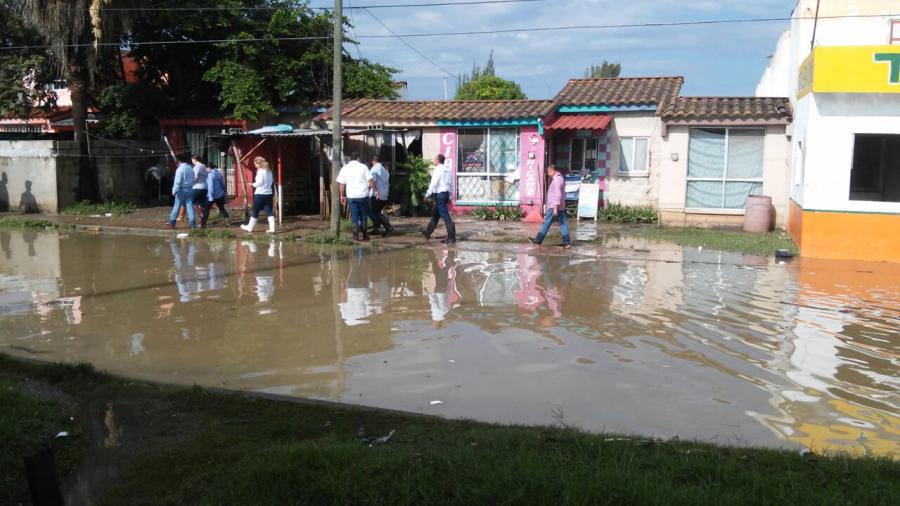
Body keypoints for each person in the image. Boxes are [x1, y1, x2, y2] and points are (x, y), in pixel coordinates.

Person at [337, 152, 378, 241]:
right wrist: (375, 190)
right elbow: (371, 181)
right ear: (358, 158)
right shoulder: (363, 167)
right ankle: (365, 235)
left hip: (351, 196)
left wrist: (341, 196)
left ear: (350, 158)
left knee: (354, 215)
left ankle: (355, 235)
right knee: (363, 215)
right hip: (363, 196)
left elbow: (341, 184)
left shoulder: (345, 168)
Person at [530, 164, 571, 249]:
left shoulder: (557, 180)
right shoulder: (560, 178)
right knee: (562, 224)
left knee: (547, 222)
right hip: (559, 205)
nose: (548, 174)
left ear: (553, 171)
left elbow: (558, 194)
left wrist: (555, 207)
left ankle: (538, 239)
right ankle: (566, 242)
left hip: (554, 206)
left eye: (549, 172)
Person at [422, 154, 456, 244]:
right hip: (444, 195)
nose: (434, 161)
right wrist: (449, 197)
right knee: (435, 215)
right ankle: (427, 233)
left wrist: (427, 194)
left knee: (446, 217)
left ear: (438, 160)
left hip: (440, 195)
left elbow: (433, 183)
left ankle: (451, 238)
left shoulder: (438, 169)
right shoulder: (447, 170)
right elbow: (450, 184)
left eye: (434, 159)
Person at [240, 156, 276, 234]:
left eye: (255, 164)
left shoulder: (260, 171)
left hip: (260, 194)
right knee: (269, 211)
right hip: (269, 194)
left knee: (255, 210)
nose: (255, 165)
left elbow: (259, 183)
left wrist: (252, 184)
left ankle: (250, 227)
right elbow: (271, 182)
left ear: (258, 163)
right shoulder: (269, 171)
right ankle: (272, 228)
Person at [167, 152, 196, 229]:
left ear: (179, 161)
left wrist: (174, 190)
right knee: (190, 206)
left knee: (177, 206)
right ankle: (193, 224)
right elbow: (194, 178)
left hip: (181, 190)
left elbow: (177, 181)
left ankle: (172, 222)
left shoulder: (179, 169)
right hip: (190, 189)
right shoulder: (191, 168)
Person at [368, 155, 393, 236]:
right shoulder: (384, 170)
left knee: (374, 212)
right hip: (384, 194)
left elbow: (373, 181)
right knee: (377, 211)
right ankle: (376, 228)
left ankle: (388, 227)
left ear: (373, 161)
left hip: (377, 194)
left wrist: (374, 190)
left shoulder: (374, 168)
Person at [202, 163, 230, 227]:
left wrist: (210, 196)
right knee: (221, 208)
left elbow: (210, 187)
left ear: (208, 167)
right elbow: (223, 184)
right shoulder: (218, 173)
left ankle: (203, 224)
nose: (205, 170)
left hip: (212, 195)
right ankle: (227, 222)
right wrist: (224, 191)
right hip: (220, 194)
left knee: (206, 208)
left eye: (206, 168)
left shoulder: (210, 175)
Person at [191, 155, 209, 225]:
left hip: (197, 187)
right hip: (205, 187)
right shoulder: (204, 166)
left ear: (194, 159)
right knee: (202, 205)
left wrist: (190, 181)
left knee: (194, 203)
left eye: (192, 159)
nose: (192, 161)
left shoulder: (196, 167)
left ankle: (201, 216)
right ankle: (202, 222)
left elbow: (195, 177)